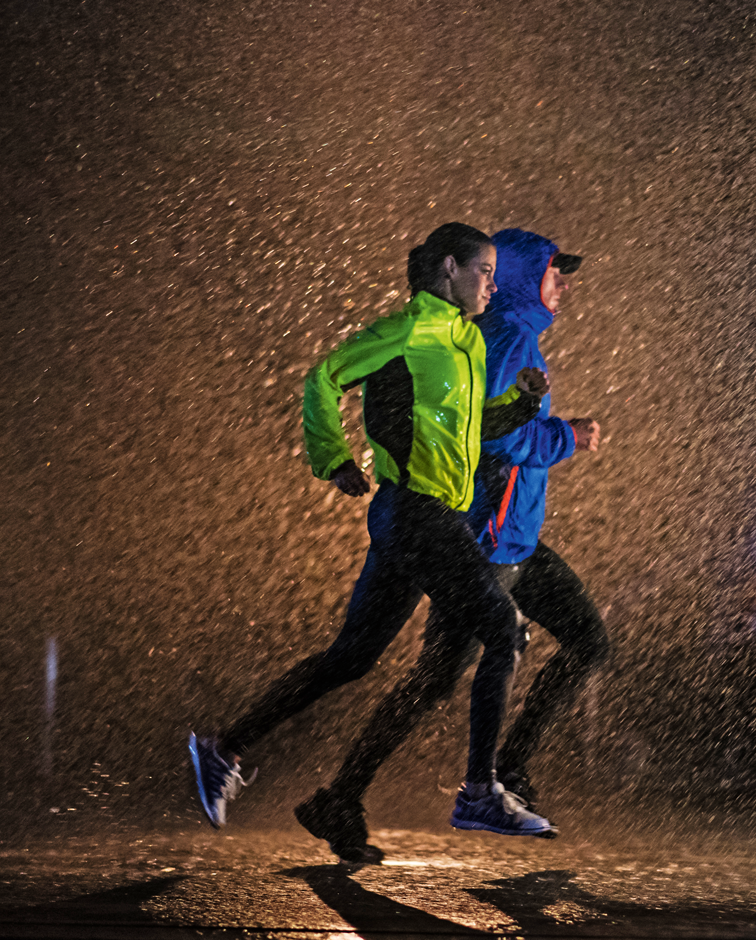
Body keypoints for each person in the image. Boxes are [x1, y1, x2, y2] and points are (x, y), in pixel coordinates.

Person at [189, 222, 559, 842]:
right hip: (415, 514)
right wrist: (332, 457)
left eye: (495, 274)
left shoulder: (464, 340)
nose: (494, 285)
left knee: (352, 659)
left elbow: (461, 428)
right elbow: (324, 377)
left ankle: (225, 747)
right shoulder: (408, 331)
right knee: (503, 631)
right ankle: (478, 793)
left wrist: (519, 409)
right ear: (450, 268)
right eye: (485, 271)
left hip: (421, 520)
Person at [290, 228, 611, 862]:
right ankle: (354, 794)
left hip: (516, 539)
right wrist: (566, 436)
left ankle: (502, 772)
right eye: (554, 272)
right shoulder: (507, 338)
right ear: (522, 276)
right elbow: (490, 442)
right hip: (489, 542)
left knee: (585, 641)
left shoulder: (510, 335)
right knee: (436, 679)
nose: (564, 284)